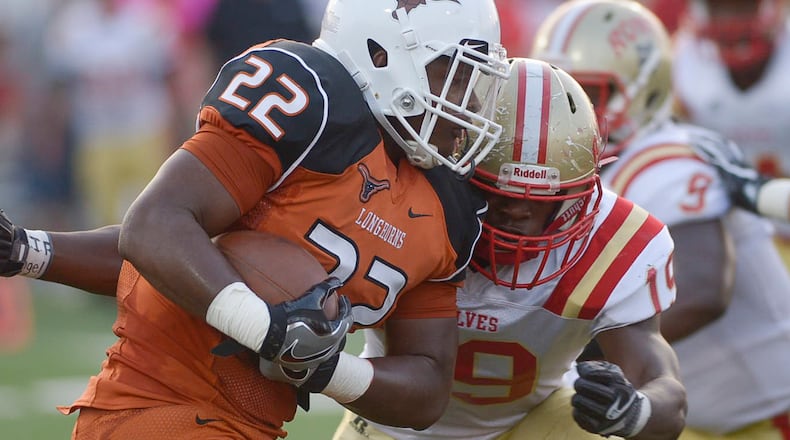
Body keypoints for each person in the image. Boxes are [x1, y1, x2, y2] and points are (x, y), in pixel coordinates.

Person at [0, 0, 511, 438]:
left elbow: (426, 386)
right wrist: (268, 331)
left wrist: (327, 367)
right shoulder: (312, 99)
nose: (468, 102)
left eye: (478, 80)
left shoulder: (448, 201)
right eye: (456, 73)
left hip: (257, 424)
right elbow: (157, 227)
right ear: (381, 53)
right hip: (154, 407)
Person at [332, 57, 686, 440]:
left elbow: (666, 390)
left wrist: (634, 410)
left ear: (580, 194)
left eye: (544, 198)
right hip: (391, 427)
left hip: (530, 423)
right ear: (454, 167)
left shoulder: (616, 243)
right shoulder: (402, 208)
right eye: (494, 192)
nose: (517, 210)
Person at [531, 0, 790, 438]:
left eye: (589, 92)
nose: (571, 109)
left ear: (642, 88)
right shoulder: (593, 170)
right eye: (560, 92)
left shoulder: (664, 161)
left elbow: (702, 288)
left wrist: (575, 353)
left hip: (769, 415)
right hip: (700, 419)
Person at [672, 0, 790, 265]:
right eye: (720, 7)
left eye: (743, 6)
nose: (731, 20)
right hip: (730, 241)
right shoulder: (684, 61)